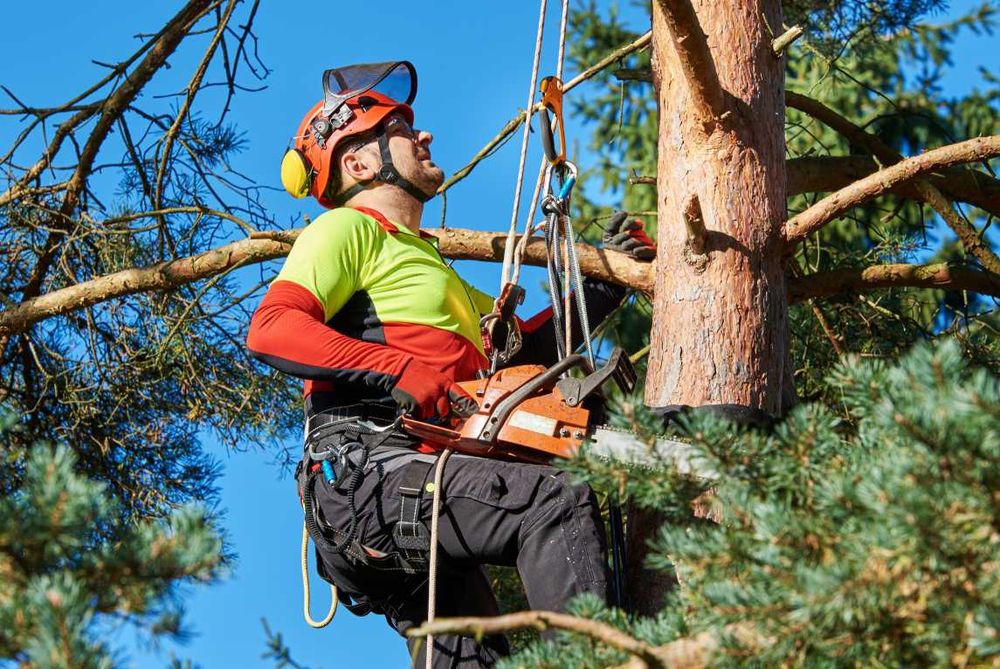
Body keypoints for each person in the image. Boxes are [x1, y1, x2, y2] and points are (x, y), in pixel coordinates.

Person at [246, 61, 656, 667]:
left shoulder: (431, 270)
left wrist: (600, 290)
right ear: (358, 164)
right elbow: (272, 327)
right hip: (368, 473)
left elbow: (521, 355)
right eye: (399, 129)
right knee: (553, 499)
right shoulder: (346, 230)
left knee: (471, 652)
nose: (424, 135)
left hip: (410, 488)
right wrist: (394, 369)